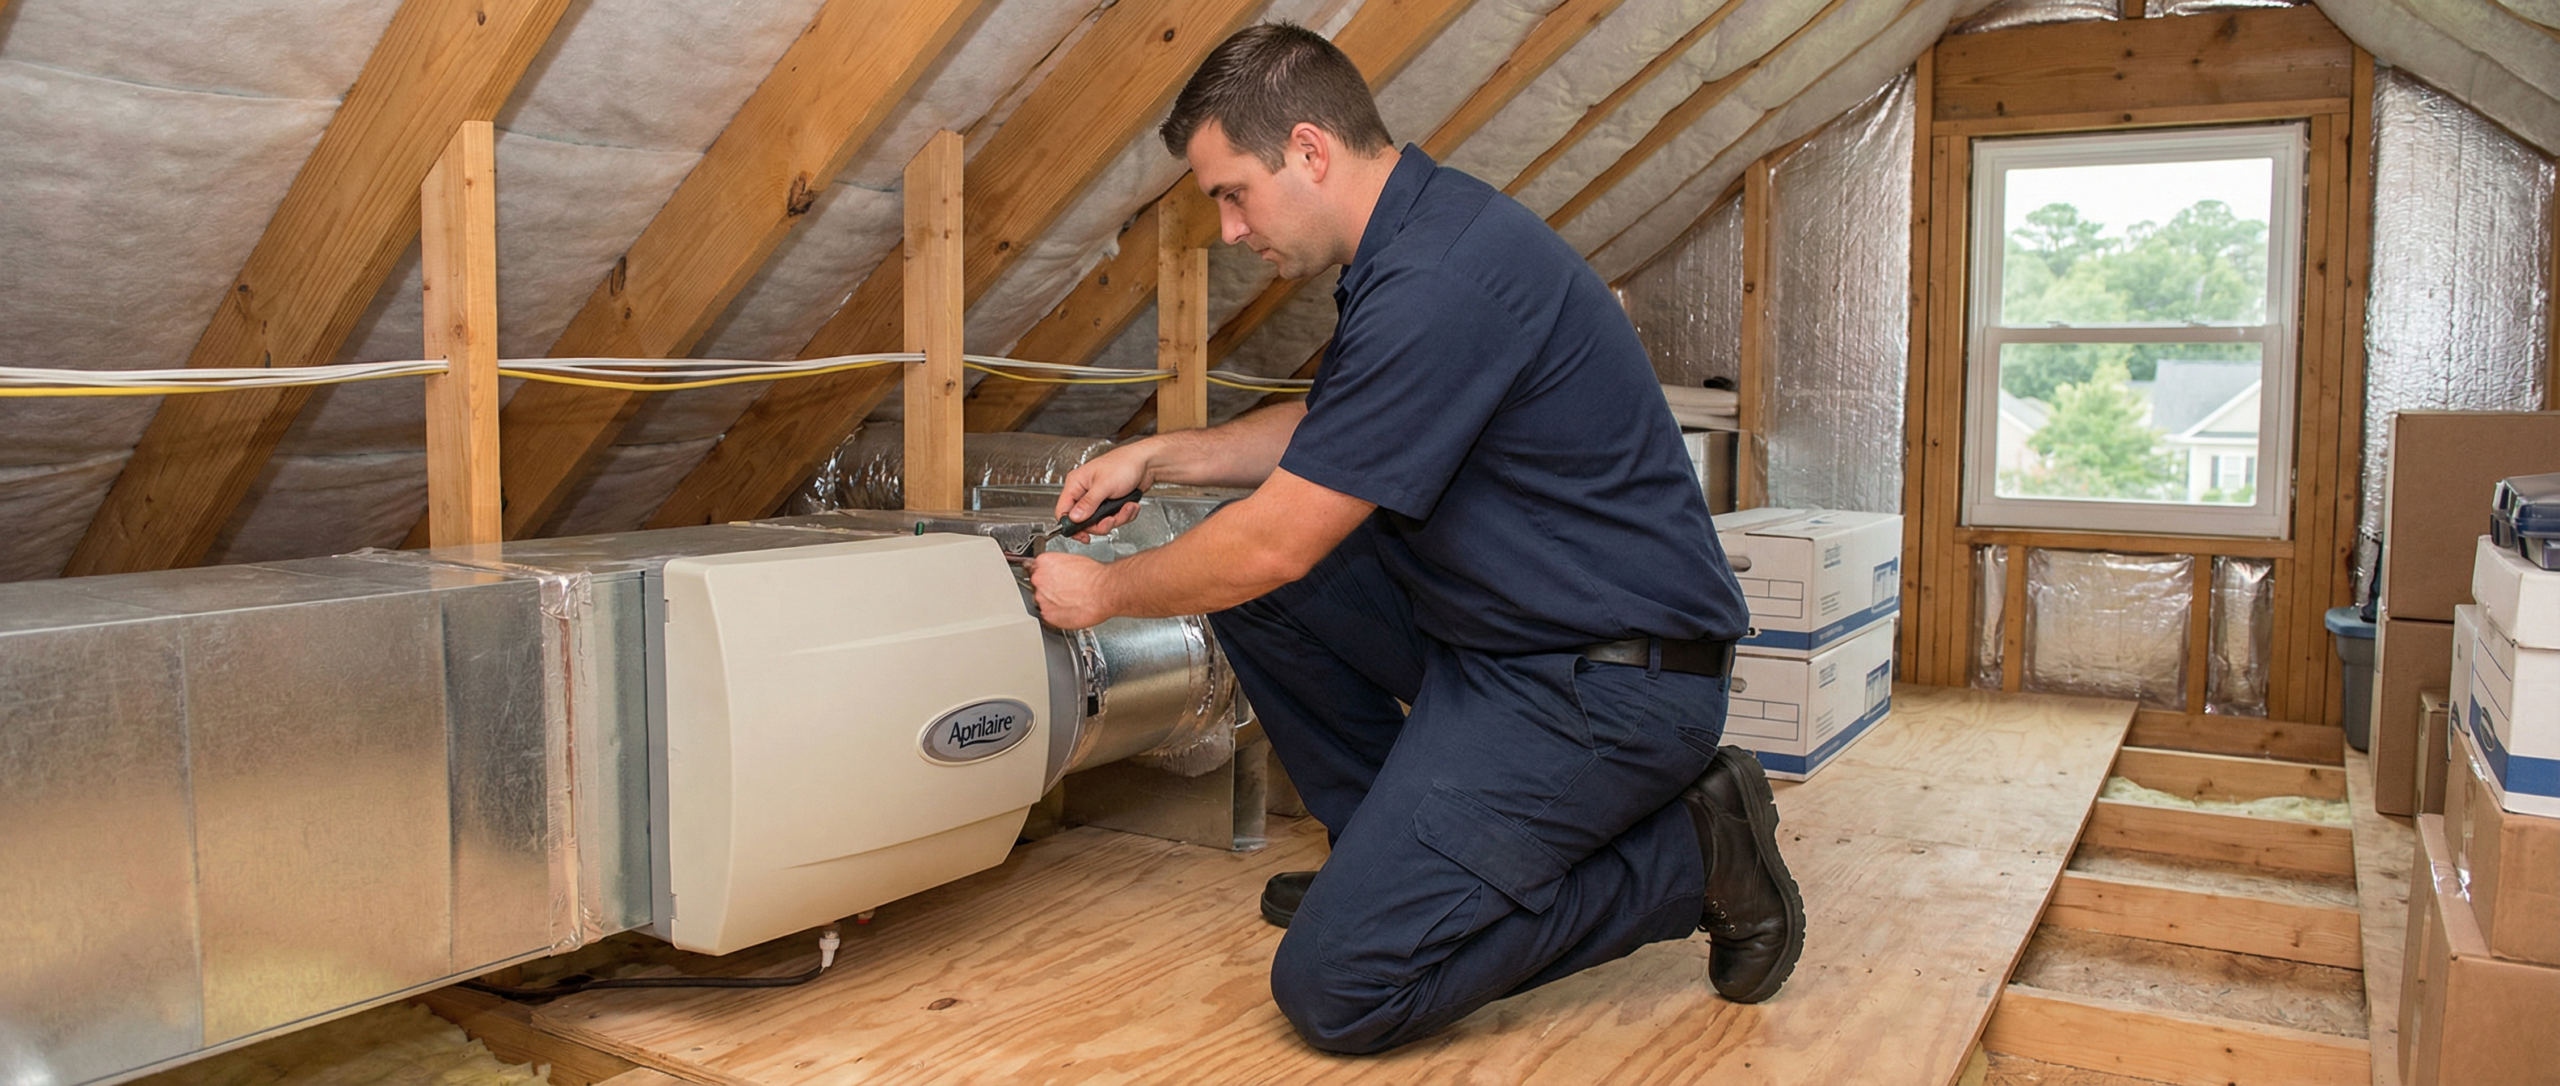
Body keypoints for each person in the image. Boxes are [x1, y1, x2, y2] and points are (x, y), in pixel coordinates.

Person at [1026, 22, 1803, 1055]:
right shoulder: (1417, 236)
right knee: (1253, 582)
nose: (1226, 229)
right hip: (1508, 636)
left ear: (1308, 150)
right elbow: (1339, 427)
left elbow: (1277, 544)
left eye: (1230, 192)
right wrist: (1162, 455)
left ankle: (1690, 859)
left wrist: (1105, 595)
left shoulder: (1441, 281)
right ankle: (1386, 863)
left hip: (1605, 686)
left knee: (1341, 991)